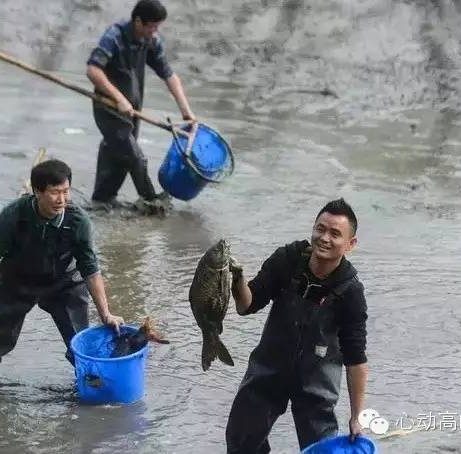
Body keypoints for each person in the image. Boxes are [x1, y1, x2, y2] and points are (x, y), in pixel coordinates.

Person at [0, 159, 124, 379]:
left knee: (81, 345)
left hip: (63, 283)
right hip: (15, 282)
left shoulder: (79, 221)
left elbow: (90, 270)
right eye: (54, 192)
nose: (61, 200)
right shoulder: (13, 215)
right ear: (37, 191)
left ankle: (91, 387)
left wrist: (105, 313)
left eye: (66, 191)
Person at [225, 199, 369, 452]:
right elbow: (247, 305)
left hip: (317, 384)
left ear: (350, 244)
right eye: (320, 229)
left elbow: (355, 359)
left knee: (322, 450)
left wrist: (357, 415)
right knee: (241, 442)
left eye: (335, 234)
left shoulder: (351, 292)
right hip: (267, 372)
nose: (324, 238)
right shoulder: (288, 259)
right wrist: (238, 280)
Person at [86, 0, 196, 206]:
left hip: (132, 110)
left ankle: (101, 201)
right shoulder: (115, 36)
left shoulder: (151, 41)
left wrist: (186, 111)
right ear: (138, 21)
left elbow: (169, 75)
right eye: (152, 26)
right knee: (134, 156)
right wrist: (119, 99)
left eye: (157, 27)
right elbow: (93, 70)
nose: (155, 31)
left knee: (117, 154)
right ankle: (151, 201)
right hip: (109, 108)